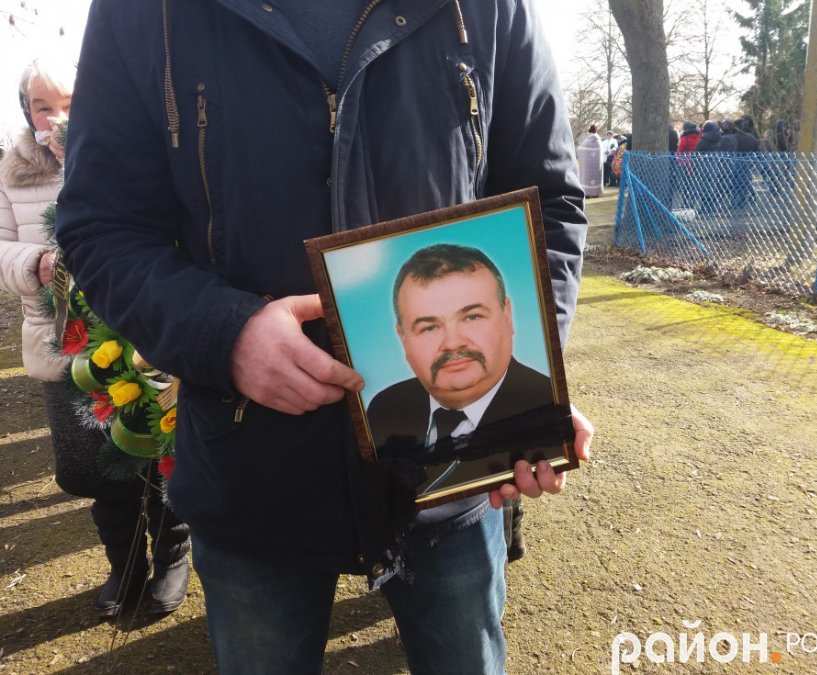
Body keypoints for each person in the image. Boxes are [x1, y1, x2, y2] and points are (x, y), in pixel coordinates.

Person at [56, 2, 594, 672]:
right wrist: (226, 334)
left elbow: (551, 203)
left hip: (450, 476)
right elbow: (101, 226)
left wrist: (524, 383)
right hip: (252, 473)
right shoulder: (145, 12)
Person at [0, 59, 190, 618]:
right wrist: (35, 262)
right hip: (63, 342)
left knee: (159, 449)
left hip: (139, 335)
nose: (57, 117)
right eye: (43, 107)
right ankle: (122, 564)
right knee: (97, 465)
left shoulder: (130, 153)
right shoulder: (12, 172)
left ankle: (173, 555)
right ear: (27, 113)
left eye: (69, 103)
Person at [368, 243, 557, 497]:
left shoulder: (546, 408)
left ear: (507, 316)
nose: (453, 343)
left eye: (472, 317)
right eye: (429, 327)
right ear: (403, 338)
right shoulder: (384, 408)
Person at [576, 124, 604, 197]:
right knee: (596, 177)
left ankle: (587, 193)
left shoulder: (587, 141)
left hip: (588, 166)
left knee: (587, 178)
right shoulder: (599, 141)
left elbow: (580, 149)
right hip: (597, 165)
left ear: (590, 132)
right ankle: (596, 193)